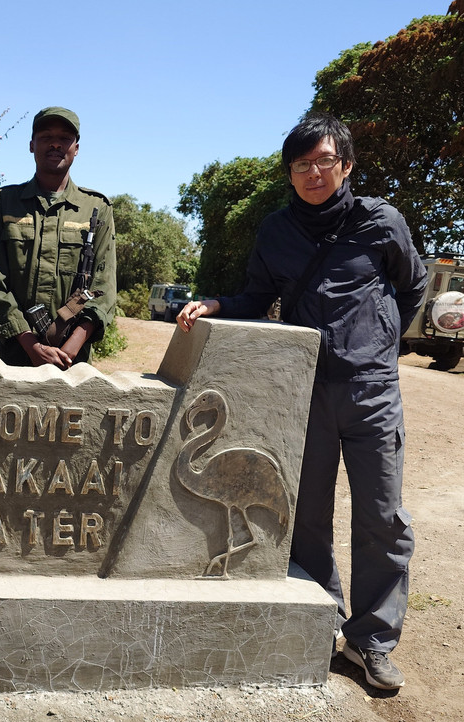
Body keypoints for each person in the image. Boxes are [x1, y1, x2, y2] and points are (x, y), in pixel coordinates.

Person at [177, 113, 427, 690]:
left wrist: (383, 342)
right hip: (305, 390)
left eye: (323, 162)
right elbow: (259, 297)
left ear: (346, 165)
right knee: (306, 514)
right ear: (289, 173)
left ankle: (371, 639)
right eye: (300, 165)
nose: (312, 173)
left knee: (382, 516)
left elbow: (412, 285)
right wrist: (216, 305)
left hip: (371, 392)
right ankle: (320, 621)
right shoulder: (275, 232)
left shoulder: (381, 223)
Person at [0, 106, 116, 368]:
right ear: (31, 145)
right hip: (8, 354)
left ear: (76, 148)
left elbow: (104, 288)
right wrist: (31, 345)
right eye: (45, 137)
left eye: (65, 138)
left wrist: (70, 349)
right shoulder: (5, 203)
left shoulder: (96, 209)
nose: (55, 143)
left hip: (72, 361)